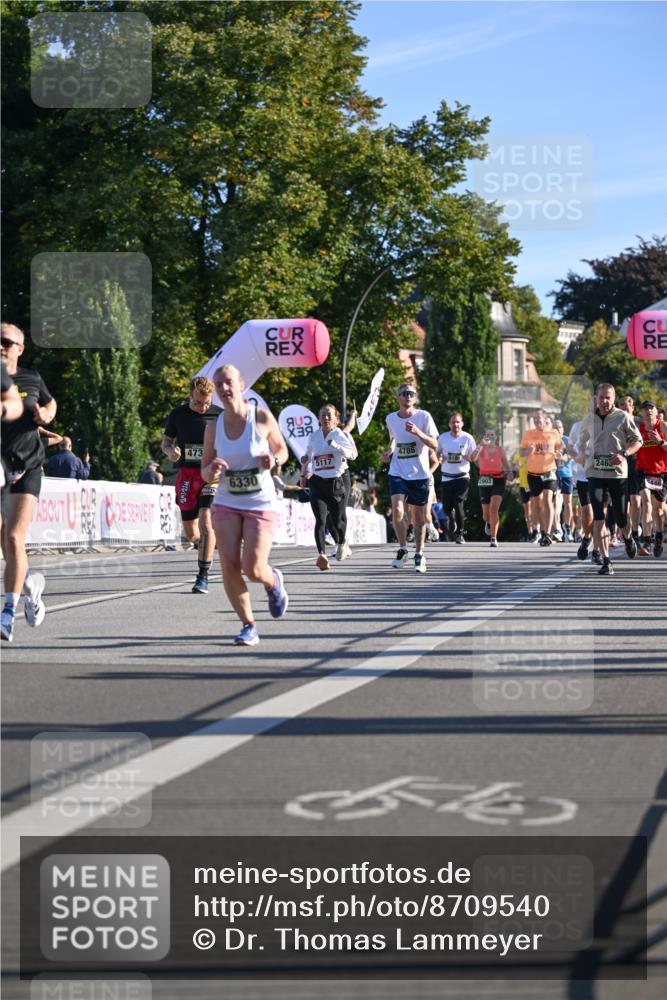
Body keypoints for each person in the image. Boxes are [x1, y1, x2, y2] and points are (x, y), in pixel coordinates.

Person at [201, 363, 289, 646]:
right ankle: (248, 625)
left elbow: (282, 450)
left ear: (240, 384)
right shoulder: (213, 427)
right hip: (226, 502)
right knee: (229, 565)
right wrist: (212, 468)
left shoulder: (261, 418)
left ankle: (273, 582)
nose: (224, 389)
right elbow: (204, 471)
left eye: (228, 382)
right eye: (219, 384)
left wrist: (273, 460)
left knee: (253, 568)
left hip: (259, 503)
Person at [1, 323, 56, 643]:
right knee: (7, 546)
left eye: (7, 341)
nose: (1, 345)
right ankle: (30, 587)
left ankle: (7, 613)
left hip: (26, 467)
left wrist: (46, 414)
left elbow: (50, 402)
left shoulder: (31, 377)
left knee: (13, 536)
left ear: (20, 348)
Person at [575, 383, 642, 576]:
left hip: (617, 474)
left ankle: (628, 538)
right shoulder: (589, 419)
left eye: (608, 397)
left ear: (613, 399)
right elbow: (582, 439)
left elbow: (638, 441)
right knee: (599, 516)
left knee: (621, 517)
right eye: (601, 397)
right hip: (595, 473)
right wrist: (581, 450)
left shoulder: (623, 417)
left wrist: (624, 453)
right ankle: (606, 560)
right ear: (596, 398)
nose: (604, 401)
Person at [162, 376, 221, 594]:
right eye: (198, 403)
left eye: (206, 403)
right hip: (187, 475)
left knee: (206, 521)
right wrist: (170, 451)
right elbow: (166, 442)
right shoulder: (178, 414)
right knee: (191, 533)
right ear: (190, 395)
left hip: (211, 475)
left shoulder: (219, 416)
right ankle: (206, 545)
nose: (202, 408)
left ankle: (202, 576)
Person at [381, 382, 438, 573]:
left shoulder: (424, 417)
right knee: (397, 510)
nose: (408, 396)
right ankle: (403, 548)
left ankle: (419, 554)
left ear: (415, 398)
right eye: (404, 393)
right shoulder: (390, 418)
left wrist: (417, 432)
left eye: (411, 393)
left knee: (420, 519)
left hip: (419, 474)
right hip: (397, 471)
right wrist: (388, 451)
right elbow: (393, 438)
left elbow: (434, 444)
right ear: (397, 397)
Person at [300, 403, 358, 570]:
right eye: (323, 415)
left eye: (329, 415)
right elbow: (309, 455)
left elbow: (353, 455)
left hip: (338, 480)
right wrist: (304, 470)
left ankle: (341, 542)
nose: (325, 418)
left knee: (337, 518)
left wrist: (337, 447)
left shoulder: (341, 435)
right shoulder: (314, 436)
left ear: (336, 419)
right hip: (318, 481)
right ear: (318, 418)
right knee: (320, 519)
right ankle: (322, 555)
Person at [520, 409, 562, 547]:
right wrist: (528, 451)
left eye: (539, 418)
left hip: (549, 472)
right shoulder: (529, 434)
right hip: (533, 474)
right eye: (534, 419)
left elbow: (560, 450)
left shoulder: (554, 433)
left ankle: (548, 533)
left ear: (545, 419)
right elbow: (521, 452)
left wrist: (559, 455)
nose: (537, 421)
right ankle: (543, 532)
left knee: (547, 500)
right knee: (537, 504)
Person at [436, 412, 476, 544]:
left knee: (459, 503)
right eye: (453, 422)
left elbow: (474, 457)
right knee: (446, 507)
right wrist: (440, 458)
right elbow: (437, 454)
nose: (455, 424)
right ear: (449, 424)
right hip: (447, 477)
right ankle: (451, 518)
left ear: (462, 424)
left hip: (462, 476)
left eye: (458, 422)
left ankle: (460, 533)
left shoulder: (468, 438)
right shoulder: (442, 438)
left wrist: (469, 457)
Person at [634, 400, 667, 558]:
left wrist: (659, 441)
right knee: (645, 502)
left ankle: (658, 538)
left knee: (658, 509)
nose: (648, 412)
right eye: (645, 409)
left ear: (655, 411)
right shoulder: (638, 428)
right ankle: (647, 541)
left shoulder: (662, 426)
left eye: (651, 409)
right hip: (642, 470)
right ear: (642, 413)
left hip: (661, 472)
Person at [472, 429, 512, 547]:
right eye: (487, 435)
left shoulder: (500, 450)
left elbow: (505, 463)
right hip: (484, 479)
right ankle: (488, 522)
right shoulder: (481, 448)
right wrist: (480, 445)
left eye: (492, 435)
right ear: (484, 437)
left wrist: (510, 473)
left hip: (498, 479)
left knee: (494, 509)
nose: (490, 437)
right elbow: (473, 458)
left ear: (496, 437)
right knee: (486, 514)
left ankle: (493, 538)